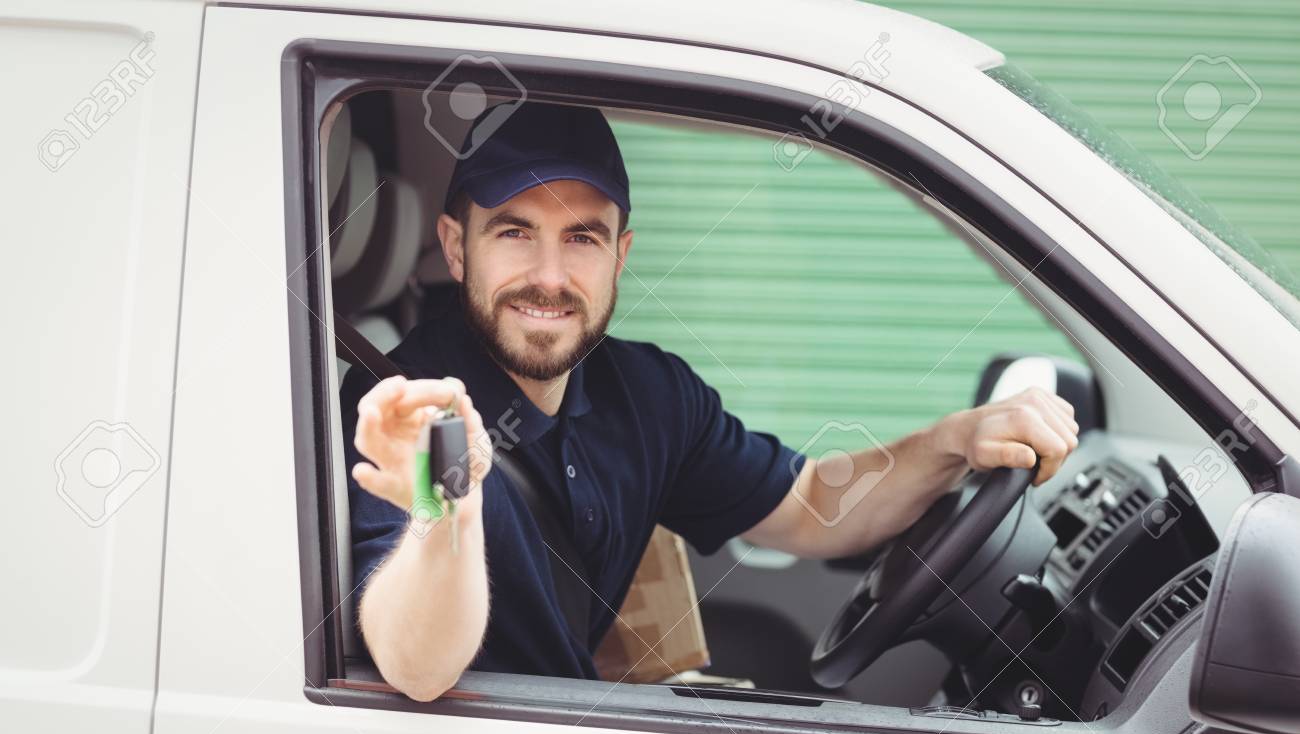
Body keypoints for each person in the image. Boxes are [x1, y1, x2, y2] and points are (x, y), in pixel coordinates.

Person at [340, 102, 1079, 701]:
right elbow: (417, 667)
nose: (550, 276)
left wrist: (954, 440)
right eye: (514, 232)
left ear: (620, 256)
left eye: (583, 239)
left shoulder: (650, 394)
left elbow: (814, 502)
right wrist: (448, 511)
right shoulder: (404, 411)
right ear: (456, 245)